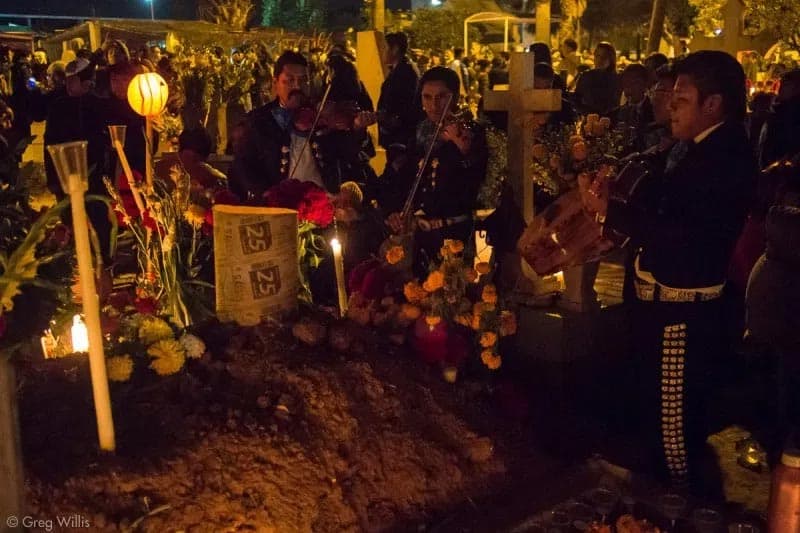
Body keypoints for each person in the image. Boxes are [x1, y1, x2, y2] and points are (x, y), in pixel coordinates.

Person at [581, 50, 756, 497]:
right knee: (653, 414)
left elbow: (680, 233)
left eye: (680, 98)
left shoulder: (726, 157)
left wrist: (611, 214)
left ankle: (684, 510)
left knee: (675, 432)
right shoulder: (690, 149)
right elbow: (655, 200)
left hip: (684, 315)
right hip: (657, 306)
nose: (669, 106)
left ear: (712, 104)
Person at [229, 51, 375, 201]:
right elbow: (242, 163)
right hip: (281, 202)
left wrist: (357, 127)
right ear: (275, 83)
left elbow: (348, 153)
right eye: (290, 80)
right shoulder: (259, 120)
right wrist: (265, 193)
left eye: (303, 80)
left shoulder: (323, 115)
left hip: (324, 200)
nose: (297, 86)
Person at [382, 67, 488, 273]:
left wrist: (464, 152)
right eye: (427, 97)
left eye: (441, 97)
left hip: (455, 234)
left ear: (455, 97)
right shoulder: (418, 134)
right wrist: (395, 210)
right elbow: (400, 178)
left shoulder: (470, 134)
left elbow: (476, 181)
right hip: (421, 236)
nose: (434, 105)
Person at [377, 32, 420, 152]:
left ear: (395, 49)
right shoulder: (398, 70)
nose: (383, 52)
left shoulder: (405, 72)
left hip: (399, 138)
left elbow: (404, 106)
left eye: (385, 47)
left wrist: (389, 119)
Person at [573, 42, 621, 116]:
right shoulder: (586, 76)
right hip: (589, 119)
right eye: (597, 56)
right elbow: (576, 100)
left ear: (611, 59)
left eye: (604, 57)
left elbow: (617, 103)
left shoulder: (616, 79)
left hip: (609, 120)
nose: (600, 60)